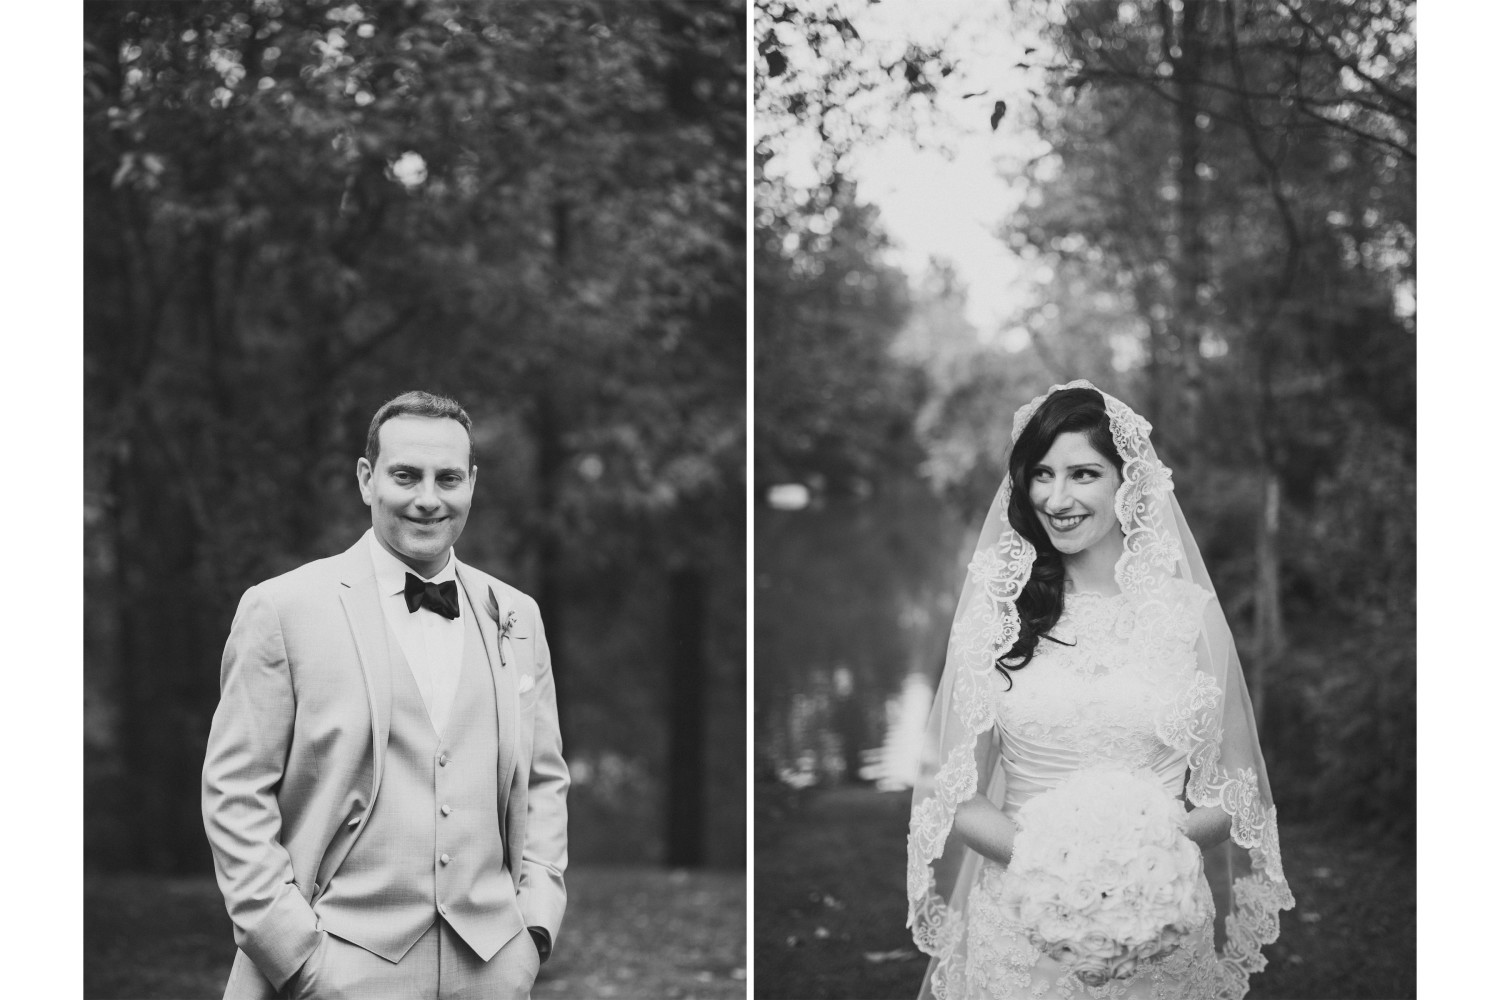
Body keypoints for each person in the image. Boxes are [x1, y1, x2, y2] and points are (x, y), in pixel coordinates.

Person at [906, 381, 1293, 999]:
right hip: (1020, 931)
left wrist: (1149, 859)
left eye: (1083, 473)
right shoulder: (998, 619)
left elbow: (1237, 795)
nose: (1056, 498)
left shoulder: (1187, 618)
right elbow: (960, 797)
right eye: (1041, 475)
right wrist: (1053, 864)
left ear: (1127, 483)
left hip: (1159, 929)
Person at [202, 390, 569, 1000]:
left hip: (491, 966)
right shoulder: (282, 609)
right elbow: (236, 794)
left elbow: (543, 781)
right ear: (368, 479)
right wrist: (297, 956)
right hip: (336, 961)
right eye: (406, 475)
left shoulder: (517, 615)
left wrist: (532, 930)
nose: (429, 498)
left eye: (448, 478)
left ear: (472, 483)